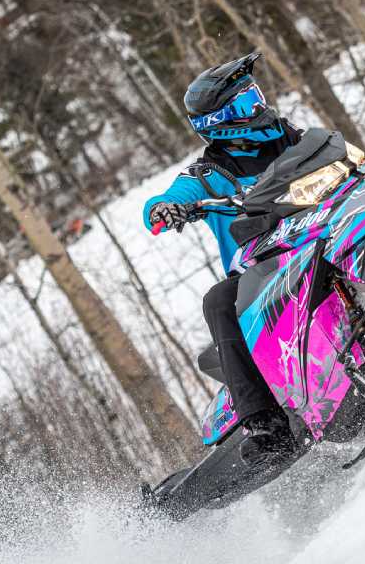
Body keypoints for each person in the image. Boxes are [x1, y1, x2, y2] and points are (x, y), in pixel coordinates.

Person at [143, 52, 301, 465]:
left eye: (256, 97)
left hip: (323, 233)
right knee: (218, 300)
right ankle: (267, 426)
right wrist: (165, 210)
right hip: (265, 268)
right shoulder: (211, 173)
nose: (259, 108)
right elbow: (169, 198)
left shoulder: (290, 138)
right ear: (221, 122)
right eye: (247, 104)